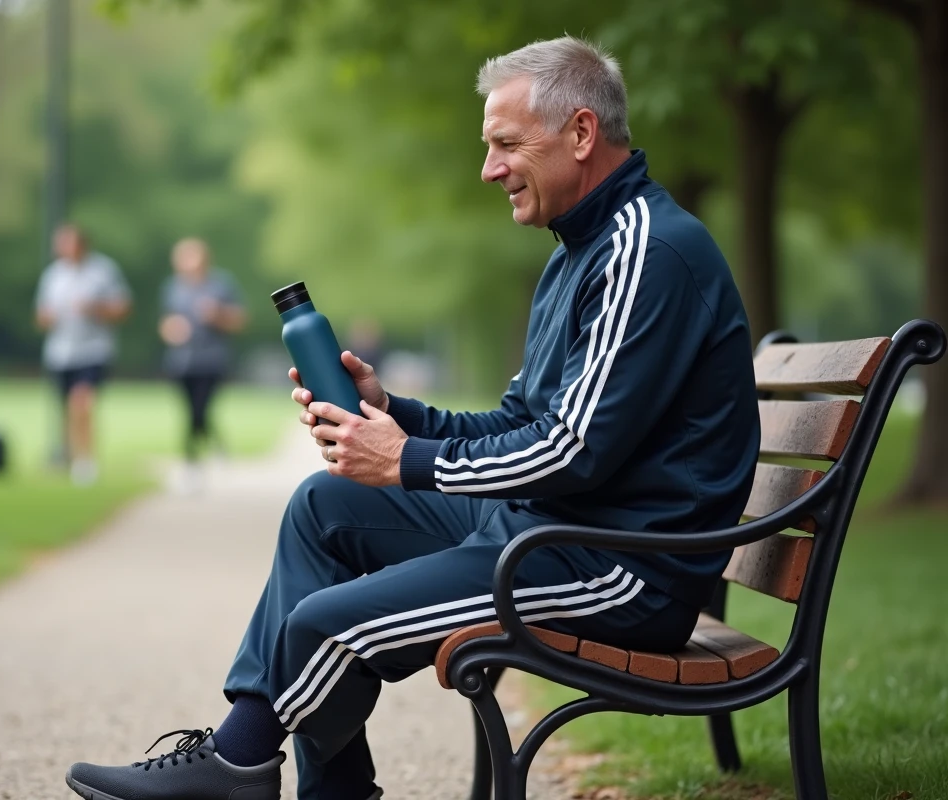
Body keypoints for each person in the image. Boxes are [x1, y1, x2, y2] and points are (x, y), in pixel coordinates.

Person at [65, 36, 761, 800]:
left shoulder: (646, 252)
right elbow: (519, 422)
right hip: (549, 534)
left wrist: (405, 460)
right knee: (325, 505)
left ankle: (242, 764)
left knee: (325, 626)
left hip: (619, 570)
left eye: (505, 145)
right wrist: (394, 412)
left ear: (583, 134)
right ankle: (255, 767)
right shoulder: (580, 255)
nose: (490, 168)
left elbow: (570, 452)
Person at [35, 223, 131, 486]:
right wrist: (51, 317)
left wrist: (94, 308)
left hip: (93, 350)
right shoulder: (53, 276)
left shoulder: (103, 271)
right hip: (61, 352)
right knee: (67, 410)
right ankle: (69, 454)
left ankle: (86, 460)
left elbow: (123, 308)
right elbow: (41, 315)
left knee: (82, 403)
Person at [158, 237, 247, 486]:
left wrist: (216, 315)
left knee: (199, 409)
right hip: (181, 360)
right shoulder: (173, 287)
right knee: (191, 410)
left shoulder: (221, 284)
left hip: (212, 360)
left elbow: (239, 321)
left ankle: (190, 460)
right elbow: (166, 322)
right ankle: (216, 445)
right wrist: (172, 330)